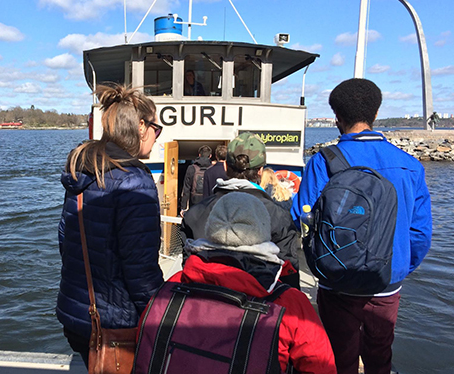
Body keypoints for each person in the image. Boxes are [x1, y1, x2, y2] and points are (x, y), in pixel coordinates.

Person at [291, 78, 432, 374]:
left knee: (338, 355)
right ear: (376, 113)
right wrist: (398, 267)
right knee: (380, 354)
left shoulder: (323, 162)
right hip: (386, 282)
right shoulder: (409, 165)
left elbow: (300, 216)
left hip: (337, 279)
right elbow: (419, 234)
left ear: (336, 118)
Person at [57, 84, 164, 366]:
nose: (157, 137)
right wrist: (161, 316)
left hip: (75, 314)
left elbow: (65, 240)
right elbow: (140, 271)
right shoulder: (135, 182)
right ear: (141, 127)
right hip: (116, 325)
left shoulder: (83, 171)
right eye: (157, 128)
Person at [170, 193, 336, 374]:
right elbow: (321, 366)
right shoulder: (289, 303)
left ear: (210, 229)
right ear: (264, 231)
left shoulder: (175, 285)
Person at [181, 133, 301, 289]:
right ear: (260, 170)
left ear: (225, 166)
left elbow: (187, 270)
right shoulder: (279, 216)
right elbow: (288, 279)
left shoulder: (194, 214)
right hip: (260, 308)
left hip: (205, 303)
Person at [179, 144, 212, 215]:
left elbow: (186, 189)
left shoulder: (191, 168)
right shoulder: (213, 169)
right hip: (209, 201)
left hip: (194, 201)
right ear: (210, 156)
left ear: (199, 155)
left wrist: (183, 207)